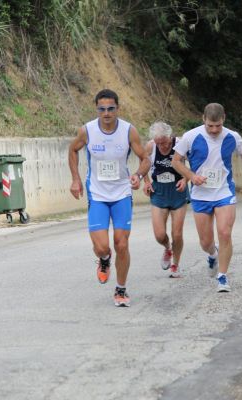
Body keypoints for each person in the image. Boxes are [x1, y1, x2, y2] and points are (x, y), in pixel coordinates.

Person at [68, 89, 150, 307]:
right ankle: (104, 260)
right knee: (103, 247)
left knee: (121, 244)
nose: (106, 113)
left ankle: (121, 290)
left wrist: (139, 175)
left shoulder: (128, 131)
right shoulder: (87, 130)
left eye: (110, 109)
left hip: (122, 193)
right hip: (97, 194)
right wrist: (76, 179)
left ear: (117, 109)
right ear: (97, 109)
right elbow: (73, 150)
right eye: (102, 109)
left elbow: (145, 158)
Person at [171, 103, 242, 292]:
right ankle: (212, 254)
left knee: (225, 233)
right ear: (203, 119)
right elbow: (176, 161)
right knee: (205, 242)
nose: (214, 130)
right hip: (201, 195)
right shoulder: (190, 136)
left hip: (224, 192)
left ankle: (222, 276)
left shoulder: (232, 136)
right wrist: (191, 176)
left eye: (218, 126)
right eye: (210, 126)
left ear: (224, 119)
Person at [143, 121, 190, 278]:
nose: (162, 146)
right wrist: (147, 181)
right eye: (158, 143)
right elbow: (143, 162)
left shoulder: (181, 144)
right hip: (159, 191)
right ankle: (167, 248)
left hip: (178, 190)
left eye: (164, 142)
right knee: (159, 234)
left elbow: (196, 163)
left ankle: (175, 265)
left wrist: (186, 179)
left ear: (170, 137)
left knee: (177, 233)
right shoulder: (151, 146)